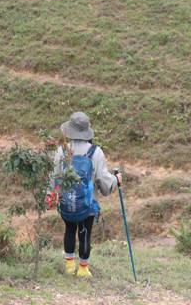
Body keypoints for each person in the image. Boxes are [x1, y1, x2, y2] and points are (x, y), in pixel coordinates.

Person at [53, 111, 121, 277]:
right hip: (87, 203)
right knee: (84, 232)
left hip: (66, 202)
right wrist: (116, 180)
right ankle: (83, 269)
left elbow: (54, 176)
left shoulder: (62, 150)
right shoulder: (95, 152)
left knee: (69, 229)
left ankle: (69, 266)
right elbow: (103, 179)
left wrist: (52, 196)